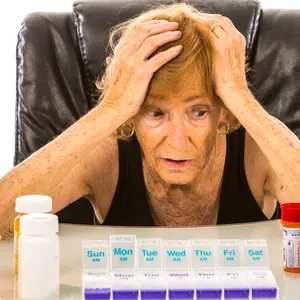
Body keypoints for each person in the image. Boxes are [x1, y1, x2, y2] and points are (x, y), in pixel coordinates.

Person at [1, 3, 300, 240]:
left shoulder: (256, 150)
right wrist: (112, 107)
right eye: (156, 113)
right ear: (132, 115)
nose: (178, 141)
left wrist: (239, 96)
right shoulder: (105, 156)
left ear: (223, 111)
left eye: (198, 112)